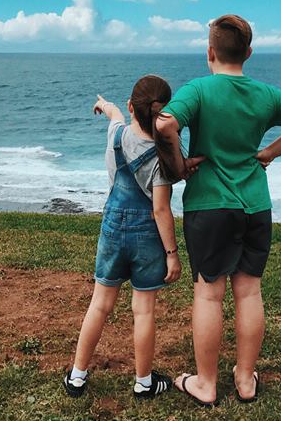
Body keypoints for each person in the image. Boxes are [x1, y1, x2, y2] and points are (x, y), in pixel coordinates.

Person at [154, 15, 281, 406]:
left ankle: (206, 383)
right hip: (254, 205)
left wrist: (178, 165)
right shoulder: (265, 94)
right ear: (248, 53)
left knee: (209, 295)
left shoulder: (199, 89)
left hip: (209, 205)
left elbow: (165, 124)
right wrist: (267, 153)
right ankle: (245, 380)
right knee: (249, 293)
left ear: (209, 52)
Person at [64, 75, 202, 400]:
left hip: (112, 230)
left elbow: (115, 118)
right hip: (146, 238)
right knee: (143, 311)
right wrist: (172, 253)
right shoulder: (163, 157)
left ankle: (78, 376)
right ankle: (143, 382)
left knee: (99, 304)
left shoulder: (117, 134)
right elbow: (161, 210)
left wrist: (106, 106)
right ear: (165, 114)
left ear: (130, 107)